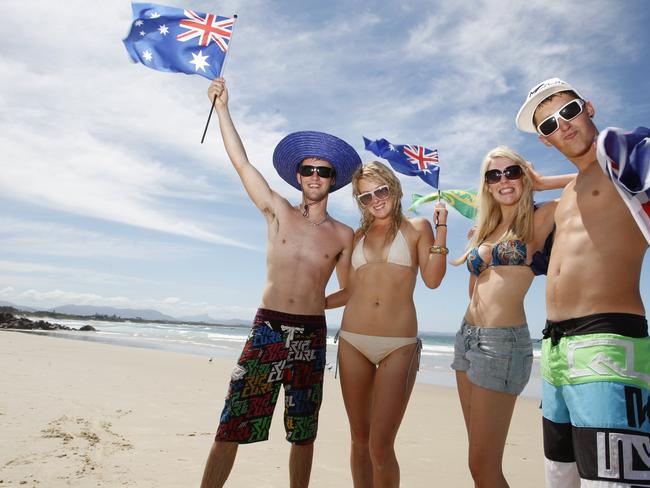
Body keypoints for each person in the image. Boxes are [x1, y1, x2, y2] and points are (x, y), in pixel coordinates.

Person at [200, 77, 361, 488]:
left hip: (311, 335)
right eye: (308, 170)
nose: (314, 176)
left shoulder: (344, 235)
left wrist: (317, 303)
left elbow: (350, 288)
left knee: (303, 432)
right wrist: (222, 108)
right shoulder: (278, 212)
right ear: (298, 175)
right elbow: (242, 164)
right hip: (268, 328)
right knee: (232, 423)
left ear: (332, 179)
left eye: (322, 171)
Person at [516, 77, 650, 486]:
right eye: (549, 124)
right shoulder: (571, 190)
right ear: (544, 140)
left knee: (613, 480)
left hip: (608, 341)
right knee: (561, 473)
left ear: (588, 108)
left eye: (569, 111)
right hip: (555, 347)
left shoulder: (625, 158)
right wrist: (542, 184)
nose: (563, 125)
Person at [451, 146, 574, 487]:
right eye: (494, 175)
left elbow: (600, 182)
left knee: (483, 466)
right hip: (467, 339)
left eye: (512, 172)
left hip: (501, 344)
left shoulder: (541, 215)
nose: (503, 180)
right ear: (487, 185)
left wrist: (544, 181)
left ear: (524, 177)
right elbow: (476, 289)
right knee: (477, 463)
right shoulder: (485, 227)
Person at [326, 161, 447, 488]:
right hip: (352, 341)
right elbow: (349, 291)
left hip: (399, 345)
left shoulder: (418, 227)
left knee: (381, 445)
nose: (375, 199)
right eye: (365, 197)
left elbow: (433, 280)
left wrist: (443, 228)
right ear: (359, 201)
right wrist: (316, 303)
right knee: (359, 440)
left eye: (381, 190)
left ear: (393, 187)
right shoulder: (356, 236)